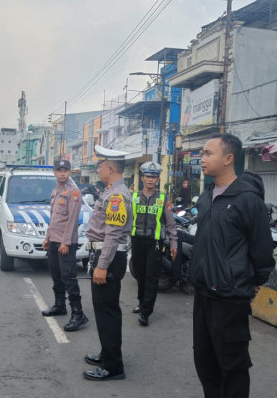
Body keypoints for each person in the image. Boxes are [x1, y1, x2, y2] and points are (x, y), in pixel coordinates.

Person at [182, 133, 275, 398]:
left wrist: (249, 283)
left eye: (208, 153)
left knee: (232, 367)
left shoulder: (248, 200)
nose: (202, 158)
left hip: (231, 296)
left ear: (228, 158)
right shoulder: (206, 196)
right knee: (205, 360)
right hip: (204, 292)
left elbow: (263, 253)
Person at [82, 145, 133, 381]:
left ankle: (113, 366)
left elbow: (112, 234)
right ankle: (106, 354)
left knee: (107, 311)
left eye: (101, 166)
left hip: (109, 258)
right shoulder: (111, 191)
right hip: (104, 256)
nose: (99, 169)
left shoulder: (116, 196)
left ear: (110, 168)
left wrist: (102, 266)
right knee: (102, 311)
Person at [41, 159, 88, 332]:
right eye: (59, 170)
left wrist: (65, 242)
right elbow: (53, 217)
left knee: (69, 277)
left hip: (65, 242)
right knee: (56, 275)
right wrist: (48, 237)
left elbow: (72, 219)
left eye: (65, 170)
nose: (62, 173)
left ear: (69, 172)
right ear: (54, 172)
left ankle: (78, 314)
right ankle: (60, 305)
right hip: (54, 239)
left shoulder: (73, 192)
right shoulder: (55, 190)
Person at [130, 161, 177, 326]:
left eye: (154, 177)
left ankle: (146, 312)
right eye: (148, 176)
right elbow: (126, 221)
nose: (151, 180)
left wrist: (174, 244)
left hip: (154, 244)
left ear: (158, 180)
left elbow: (171, 224)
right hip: (136, 242)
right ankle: (141, 302)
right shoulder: (133, 197)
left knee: (151, 277)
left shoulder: (163, 199)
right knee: (140, 275)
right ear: (142, 178)